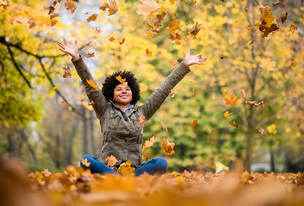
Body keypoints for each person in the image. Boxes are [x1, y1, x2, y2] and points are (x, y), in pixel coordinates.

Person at [58, 38, 207, 175]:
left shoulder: (143, 111)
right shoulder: (104, 109)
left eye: (127, 89)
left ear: (133, 92)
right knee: (86, 159)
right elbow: (90, 86)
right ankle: (119, 180)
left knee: (161, 162)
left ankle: (121, 182)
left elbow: (163, 90)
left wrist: (184, 66)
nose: (124, 91)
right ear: (112, 93)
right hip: (108, 169)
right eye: (119, 89)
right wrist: (77, 59)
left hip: (135, 170)